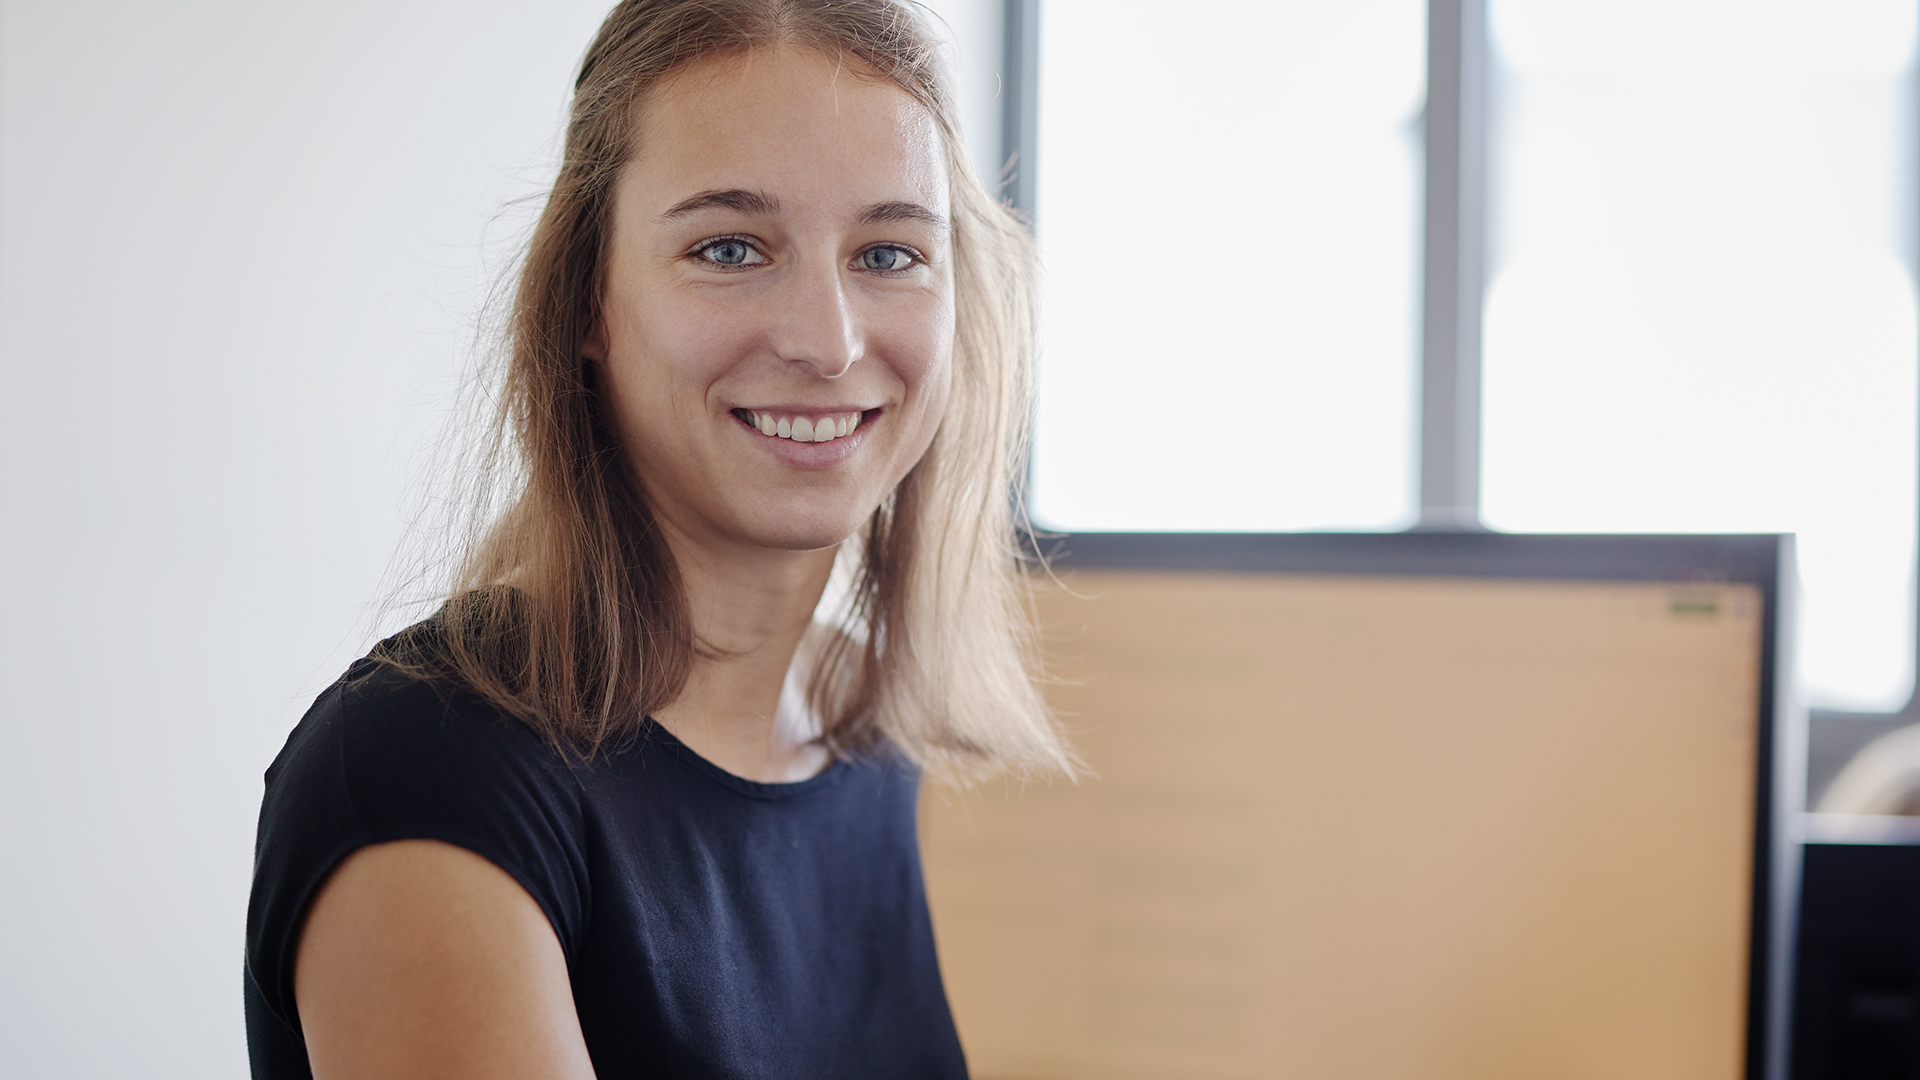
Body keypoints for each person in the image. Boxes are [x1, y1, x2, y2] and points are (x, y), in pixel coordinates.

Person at [243, 1, 1075, 1076]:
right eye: (730, 247)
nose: (828, 340)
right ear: (588, 299)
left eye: (889, 251)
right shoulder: (419, 771)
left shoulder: (856, 726)